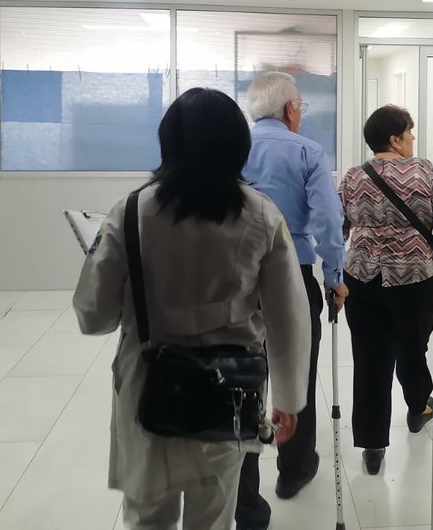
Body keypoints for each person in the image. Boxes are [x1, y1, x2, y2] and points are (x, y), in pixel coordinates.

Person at [73, 88, 311, 530]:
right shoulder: (262, 215)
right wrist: (289, 398)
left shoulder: (130, 211)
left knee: (148, 517)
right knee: (214, 515)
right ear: (238, 146)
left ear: (168, 143)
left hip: (148, 386)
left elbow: (94, 316)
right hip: (227, 392)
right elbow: (289, 317)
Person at [235, 71, 348, 529]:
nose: (301, 114)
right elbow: (328, 220)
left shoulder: (232, 149)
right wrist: (335, 277)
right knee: (296, 371)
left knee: (243, 376)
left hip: (238, 279)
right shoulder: (308, 152)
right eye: (300, 106)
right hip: (294, 276)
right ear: (288, 110)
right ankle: (294, 469)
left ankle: (245, 492)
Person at [338, 104, 433, 475]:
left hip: (362, 279)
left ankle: (372, 444)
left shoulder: (353, 176)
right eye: (409, 132)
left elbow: (338, 225)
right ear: (395, 139)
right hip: (414, 277)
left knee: (369, 358)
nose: (413, 138)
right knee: (413, 346)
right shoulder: (424, 170)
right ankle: (418, 406)